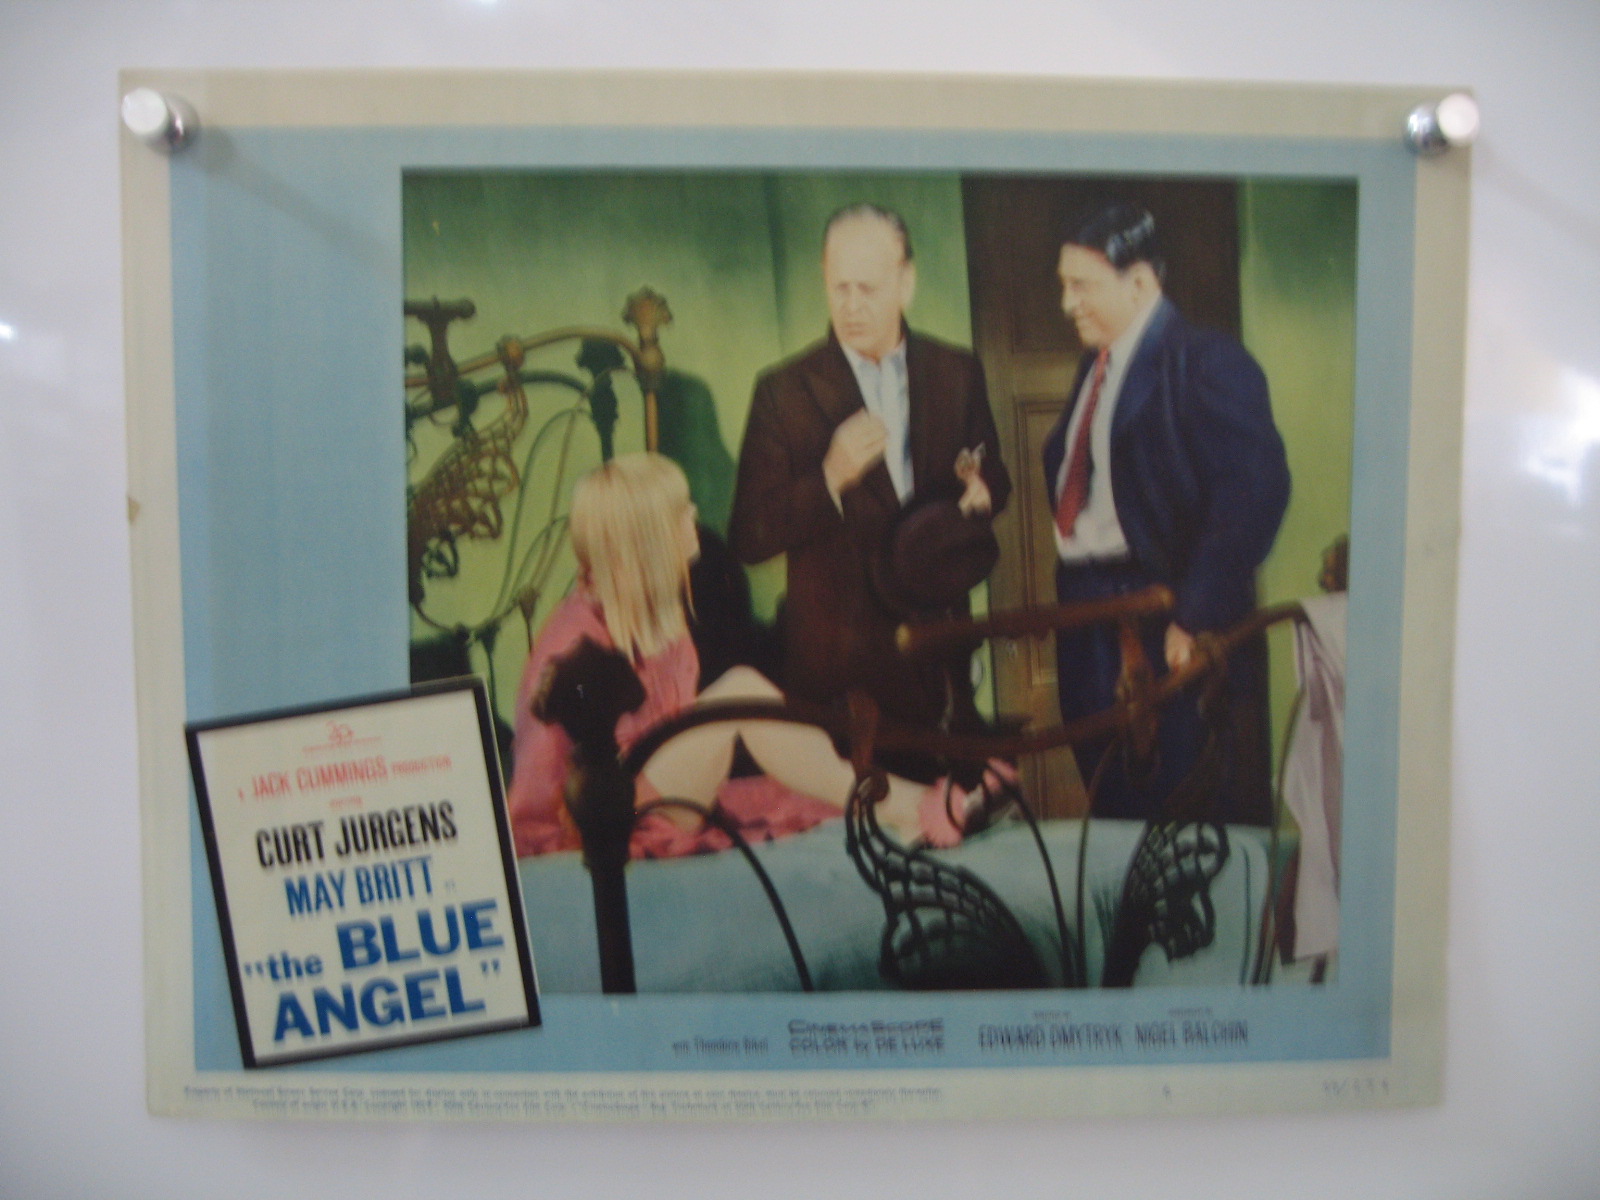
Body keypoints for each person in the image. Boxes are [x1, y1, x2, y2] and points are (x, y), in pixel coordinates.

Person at [505, 453, 991, 859]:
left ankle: (904, 803)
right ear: (646, 538)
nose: (693, 514)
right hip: (601, 821)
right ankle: (911, 806)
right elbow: (536, 797)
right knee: (741, 689)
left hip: (645, 793)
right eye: (678, 512)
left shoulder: (655, 618)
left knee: (787, 771)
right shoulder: (571, 646)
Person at [728, 203, 1011, 747]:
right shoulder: (783, 391)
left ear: (906, 283)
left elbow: (993, 472)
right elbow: (748, 535)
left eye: (868, 289)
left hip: (942, 664)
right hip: (841, 678)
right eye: (839, 288)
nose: (852, 306)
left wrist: (984, 491)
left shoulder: (957, 371)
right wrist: (829, 478)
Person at [1044, 203, 1290, 823]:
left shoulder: (1206, 360)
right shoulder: (1094, 366)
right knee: (1111, 805)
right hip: (1087, 617)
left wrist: (1195, 613)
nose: (1068, 304)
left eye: (1082, 286)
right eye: (1064, 286)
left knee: (1179, 813)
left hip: (1164, 618)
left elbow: (1253, 491)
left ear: (1140, 283)